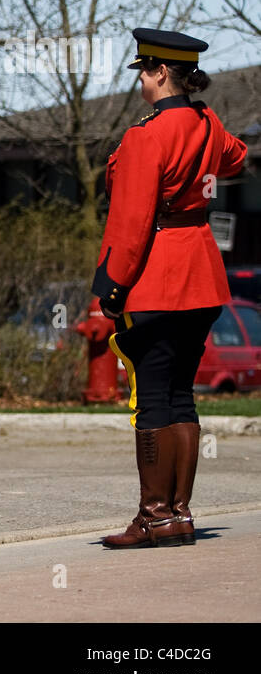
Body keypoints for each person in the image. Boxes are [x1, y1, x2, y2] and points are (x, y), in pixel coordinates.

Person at [92, 28, 248, 549]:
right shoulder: (208, 124)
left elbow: (131, 220)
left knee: (153, 398)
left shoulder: (145, 136)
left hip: (157, 279)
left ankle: (154, 516)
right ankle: (179, 514)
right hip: (202, 277)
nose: (139, 78)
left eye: (142, 70)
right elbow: (237, 157)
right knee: (182, 394)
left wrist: (111, 283)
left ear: (160, 73)